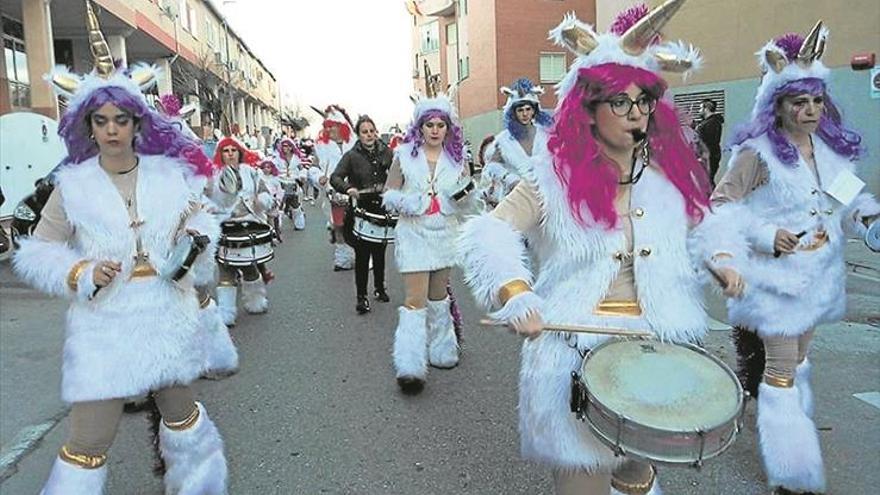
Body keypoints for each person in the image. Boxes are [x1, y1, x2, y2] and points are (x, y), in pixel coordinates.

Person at [457, 3, 727, 494]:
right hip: (571, 356)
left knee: (637, 480)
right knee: (582, 481)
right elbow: (489, 232)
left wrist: (725, 260)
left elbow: (709, 226)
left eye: (642, 101)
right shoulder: (552, 178)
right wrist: (517, 290)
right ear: (589, 107)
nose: (635, 114)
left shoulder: (669, 179)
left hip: (653, 352)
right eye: (619, 103)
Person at [12, 4, 227, 492]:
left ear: (137, 123)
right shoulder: (73, 185)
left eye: (121, 119)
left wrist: (195, 238)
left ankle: (199, 486)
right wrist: (81, 272)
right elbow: (37, 249)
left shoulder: (169, 176)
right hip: (105, 323)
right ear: (88, 126)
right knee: (88, 441)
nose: (111, 129)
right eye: (101, 120)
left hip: (166, 313)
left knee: (183, 419)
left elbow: (199, 216)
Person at [705, 21, 879, 495]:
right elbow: (721, 206)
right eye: (798, 102)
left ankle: (781, 427)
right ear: (776, 106)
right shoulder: (755, 154)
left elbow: (848, 200)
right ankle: (792, 470)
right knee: (783, 368)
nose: (811, 111)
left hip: (816, 279)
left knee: (798, 363)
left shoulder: (827, 150)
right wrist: (764, 235)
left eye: (817, 101)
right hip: (774, 281)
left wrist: (870, 221)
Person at [382, 86, 477, 395]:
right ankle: (409, 362)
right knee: (415, 299)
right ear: (419, 127)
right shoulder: (403, 155)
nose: (435, 130)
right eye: (429, 125)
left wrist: (466, 196)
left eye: (441, 125)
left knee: (439, 296)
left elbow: (467, 199)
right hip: (413, 233)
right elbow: (389, 193)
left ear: (448, 128)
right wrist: (406, 202)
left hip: (444, 232)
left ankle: (442, 349)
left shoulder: (458, 157)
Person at [331, 115, 394, 314]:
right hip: (361, 210)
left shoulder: (387, 152)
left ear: (376, 132)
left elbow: (400, 174)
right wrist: (348, 188)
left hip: (381, 208)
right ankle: (361, 297)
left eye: (371, 131)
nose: (369, 135)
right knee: (362, 254)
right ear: (359, 134)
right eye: (364, 132)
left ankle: (379, 287)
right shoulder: (351, 156)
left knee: (380, 252)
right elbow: (335, 177)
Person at [209, 136, 275, 326]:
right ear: (221, 154)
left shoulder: (251, 173)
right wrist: (209, 207)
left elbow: (265, 193)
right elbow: (203, 197)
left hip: (249, 224)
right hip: (224, 226)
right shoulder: (213, 176)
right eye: (226, 151)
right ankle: (226, 312)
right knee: (225, 268)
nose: (230, 154)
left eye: (233, 150)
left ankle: (255, 301)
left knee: (249, 267)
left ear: (239, 153)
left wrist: (261, 200)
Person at [481, 77, 554, 208]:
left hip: (545, 198)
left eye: (528, 109)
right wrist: (510, 179)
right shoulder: (503, 140)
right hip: (515, 199)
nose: (525, 114)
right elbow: (491, 166)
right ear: (513, 112)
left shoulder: (546, 135)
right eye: (520, 110)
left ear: (534, 111)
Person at [313, 105, 357, 271]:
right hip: (334, 192)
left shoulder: (355, 144)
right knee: (339, 225)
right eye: (327, 126)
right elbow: (313, 167)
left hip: (355, 192)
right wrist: (318, 177)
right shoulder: (320, 147)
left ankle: (362, 257)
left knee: (356, 225)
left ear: (341, 126)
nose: (329, 129)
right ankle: (343, 259)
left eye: (332, 125)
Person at [273, 136, 306, 230]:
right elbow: (274, 169)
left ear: (292, 147)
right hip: (281, 183)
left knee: (295, 205)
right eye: (284, 146)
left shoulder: (296, 157)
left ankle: (299, 224)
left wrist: (302, 176)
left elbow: (301, 168)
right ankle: (277, 227)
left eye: (289, 146)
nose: (286, 148)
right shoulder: (277, 158)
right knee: (280, 205)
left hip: (293, 183)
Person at [695, 98, 724, 186]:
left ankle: (712, 198)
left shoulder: (712, 123)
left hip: (709, 157)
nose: (699, 111)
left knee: (706, 181)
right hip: (709, 156)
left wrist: (701, 156)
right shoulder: (710, 122)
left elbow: (708, 141)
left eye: (700, 108)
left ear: (706, 108)